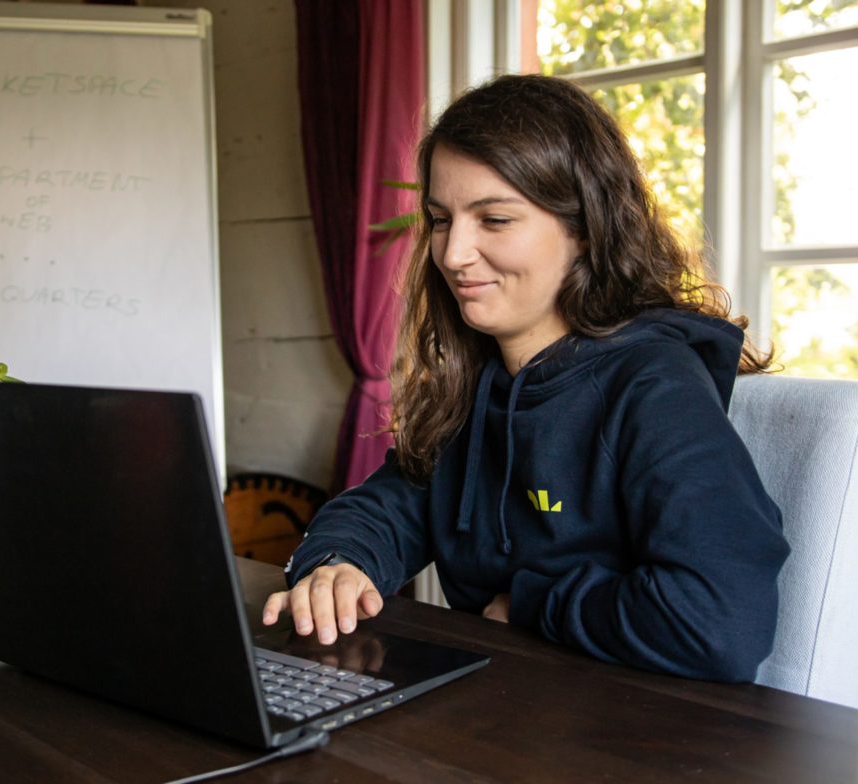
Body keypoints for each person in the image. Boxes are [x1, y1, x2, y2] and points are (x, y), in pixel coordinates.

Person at [263, 74, 790, 682]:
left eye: (493, 219)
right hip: (505, 707)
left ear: (584, 228)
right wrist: (339, 563)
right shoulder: (480, 380)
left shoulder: (654, 387)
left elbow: (720, 625)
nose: (454, 253)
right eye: (440, 219)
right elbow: (393, 505)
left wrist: (531, 606)